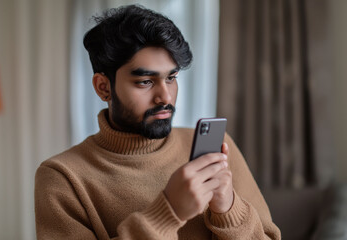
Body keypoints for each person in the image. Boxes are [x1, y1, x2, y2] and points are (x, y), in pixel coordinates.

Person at [34, 4, 281, 240]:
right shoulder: (61, 178)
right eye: (145, 82)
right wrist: (168, 213)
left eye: (171, 77)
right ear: (103, 87)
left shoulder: (218, 149)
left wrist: (228, 208)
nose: (165, 96)